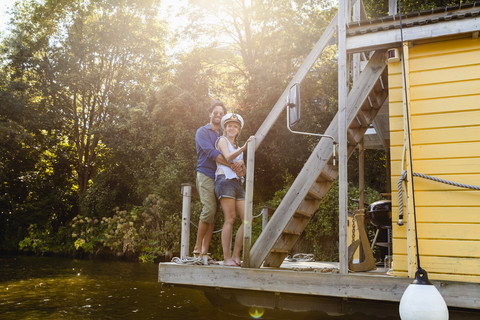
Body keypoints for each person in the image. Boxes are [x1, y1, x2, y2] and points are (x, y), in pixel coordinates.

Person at [194, 100, 244, 263]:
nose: (218, 115)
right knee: (208, 209)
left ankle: (205, 252)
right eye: (215, 112)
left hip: (219, 175)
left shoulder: (222, 135)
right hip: (206, 174)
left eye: (221, 113)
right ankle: (197, 248)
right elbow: (211, 153)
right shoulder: (203, 131)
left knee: (214, 214)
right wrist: (233, 165)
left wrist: (238, 169)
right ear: (210, 114)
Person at [215, 113, 254, 266]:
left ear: (239, 130)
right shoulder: (222, 140)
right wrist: (243, 149)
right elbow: (229, 157)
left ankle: (236, 255)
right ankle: (226, 258)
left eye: (235, 127)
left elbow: (243, 171)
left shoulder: (239, 148)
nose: (232, 128)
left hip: (238, 183)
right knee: (230, 219)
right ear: (225, 128)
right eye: (229, 126)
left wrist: (241, 167)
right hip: (224, 181)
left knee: (248, 220)